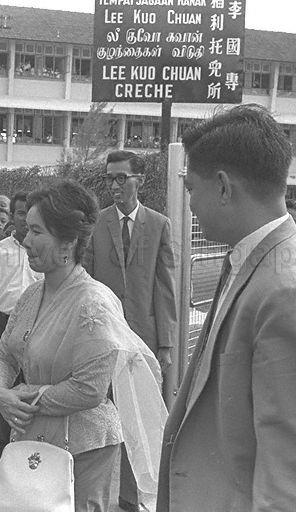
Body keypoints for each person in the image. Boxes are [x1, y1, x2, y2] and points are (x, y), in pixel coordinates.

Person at [159, 105, 296, 511]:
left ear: (224, 187)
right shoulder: (255, 261)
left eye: (192, 189)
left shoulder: (286, 291)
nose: (190, 204)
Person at [0, 180, 166, 512]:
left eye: (37, 232)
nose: (26, 241)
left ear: (68, 243)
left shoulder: (93, 304)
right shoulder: (31, 294)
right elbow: (4, 354)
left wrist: (24, 395)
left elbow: (89, 389)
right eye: (26, 230)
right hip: (33, 433)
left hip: (84, 445)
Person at [84, 149, 176, 512]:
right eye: (109, 178)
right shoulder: (97, 224)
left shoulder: (159, 224)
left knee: (142, 419)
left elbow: (165, 287)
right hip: (105, 338)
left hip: (145, 341)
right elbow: (88, 283)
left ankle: (134, 497)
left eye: (122, 178)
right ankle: (98, 498)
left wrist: (166, 344)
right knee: (103, 419)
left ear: (139, 180)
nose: (115, 185)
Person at [0, 191, 43, 468]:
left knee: (32, 386)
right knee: (2, 386)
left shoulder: (42, 248)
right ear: (12, 216)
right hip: (2, 323)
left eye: (29, 214)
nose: (24, 220)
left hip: (38, 323)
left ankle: (30, 449)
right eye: (19, 213)